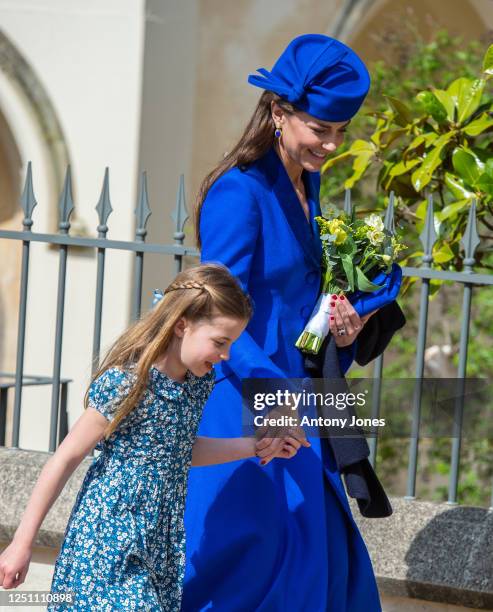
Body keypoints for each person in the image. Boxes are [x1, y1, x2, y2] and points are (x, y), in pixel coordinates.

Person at [182, 35, 387, 611]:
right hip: (247, 402)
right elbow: (216, 307)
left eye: (341, 130)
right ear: (278, 111)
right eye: (321, 128)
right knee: (251, 573)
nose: (332, 143)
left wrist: (341, 328)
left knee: (320, 570)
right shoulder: (236, 192)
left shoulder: (308, 186)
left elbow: (298, 307)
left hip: (301, 404)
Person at [0, 264, 306, 611]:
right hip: (107, 540)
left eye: (231, 344)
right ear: (181, 326)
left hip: (159, 545)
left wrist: (255, 446)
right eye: (220, 342)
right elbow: (65, 457)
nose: (225, 356)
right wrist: (21, 543)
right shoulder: (128, 384)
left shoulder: (197, 385)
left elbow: (180, 450)